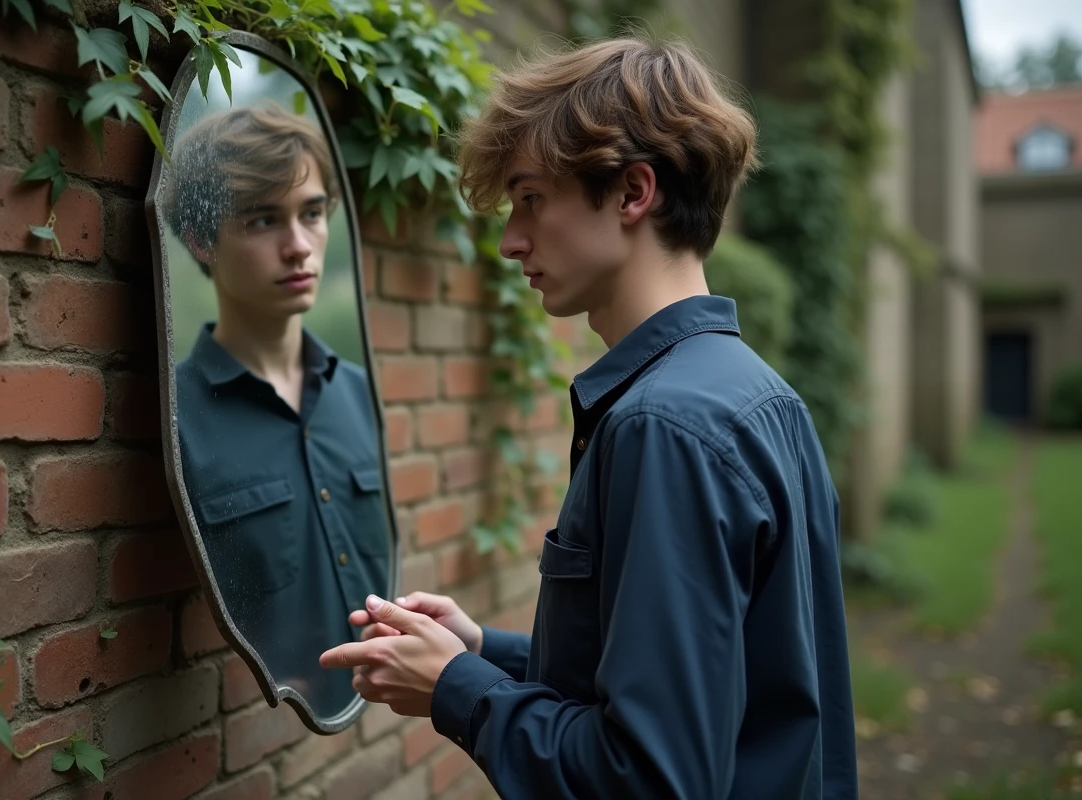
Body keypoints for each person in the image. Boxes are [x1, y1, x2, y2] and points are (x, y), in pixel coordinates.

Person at [319, 33, 859, 799]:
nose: (510, 240)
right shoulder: (760, 396)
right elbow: (702, 681)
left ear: (634, 193)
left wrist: (458, 690)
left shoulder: (664, 427)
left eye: (532, 199)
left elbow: (645, 778)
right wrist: (482, 651)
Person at [165, 103, 391, 720]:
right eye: (264, 220)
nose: (299, 247)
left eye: (312, 214)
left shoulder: (359, 395)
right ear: (200, 241)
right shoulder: (176, 419)